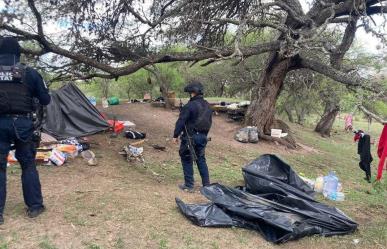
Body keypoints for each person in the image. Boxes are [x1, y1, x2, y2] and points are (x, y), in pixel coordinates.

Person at [0, 37, 51, 224]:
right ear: (18, 53)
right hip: (23, 124)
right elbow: (46, 100)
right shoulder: (29, 73)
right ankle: (35, 207)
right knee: (28, 165)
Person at [173, 81, 212, 192]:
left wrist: (175, 135)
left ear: (193, 93)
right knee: (201, 159)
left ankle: (189, 185)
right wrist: (203, 135)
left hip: (190, 137)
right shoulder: (208, 105)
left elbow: (181, 121)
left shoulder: (189, 106)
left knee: (186, 158)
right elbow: (209, 122)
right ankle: (207, 185)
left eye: (190, 92)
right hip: (203, 137)